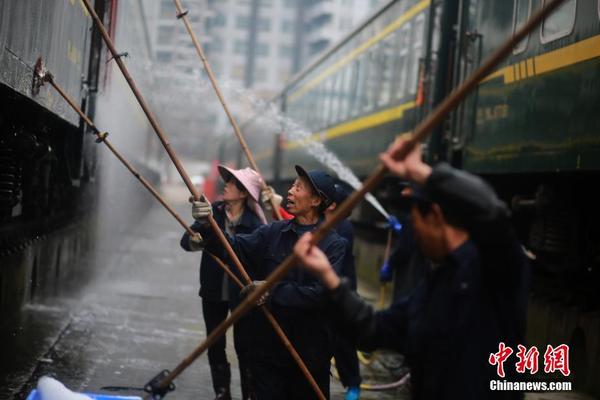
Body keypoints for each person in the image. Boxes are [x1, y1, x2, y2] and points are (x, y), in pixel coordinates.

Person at [293, 138, 530, 400]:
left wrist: (422, 172)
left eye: (416, 223)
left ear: (436, 216)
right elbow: (374, 329)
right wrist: (329, 278)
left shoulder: (496, 270)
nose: (414, 233)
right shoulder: (432, 286)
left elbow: (491, 211)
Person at [190, 165, 347, 400]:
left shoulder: (334, 245)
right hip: (267, 353)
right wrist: (207, 224)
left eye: (299, 187)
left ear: (316, 200)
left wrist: (271, 291)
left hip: (309, 356)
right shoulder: (273, 232)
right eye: (293, 185)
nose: (290, 191)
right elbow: (231, 249)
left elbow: (321, 295)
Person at [180, 165, 266, 400]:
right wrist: (197, 239)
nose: (225, 185)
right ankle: (222, 392)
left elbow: (259, 257)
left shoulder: (256, 225)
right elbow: (185, 242)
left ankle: (249, 394)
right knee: (215, 342)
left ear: (243, 193)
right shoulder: (212, 213)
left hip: (242, 293)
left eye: (232, 183)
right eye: (226, 181)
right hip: (213, 290)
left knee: (245, 346)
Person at [326, 180, 362, 400]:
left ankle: (353, 385)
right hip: (327, 292)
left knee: (344, 343)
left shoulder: (344, 227)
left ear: (332, 205)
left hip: (343, 293)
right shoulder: (325, 223)